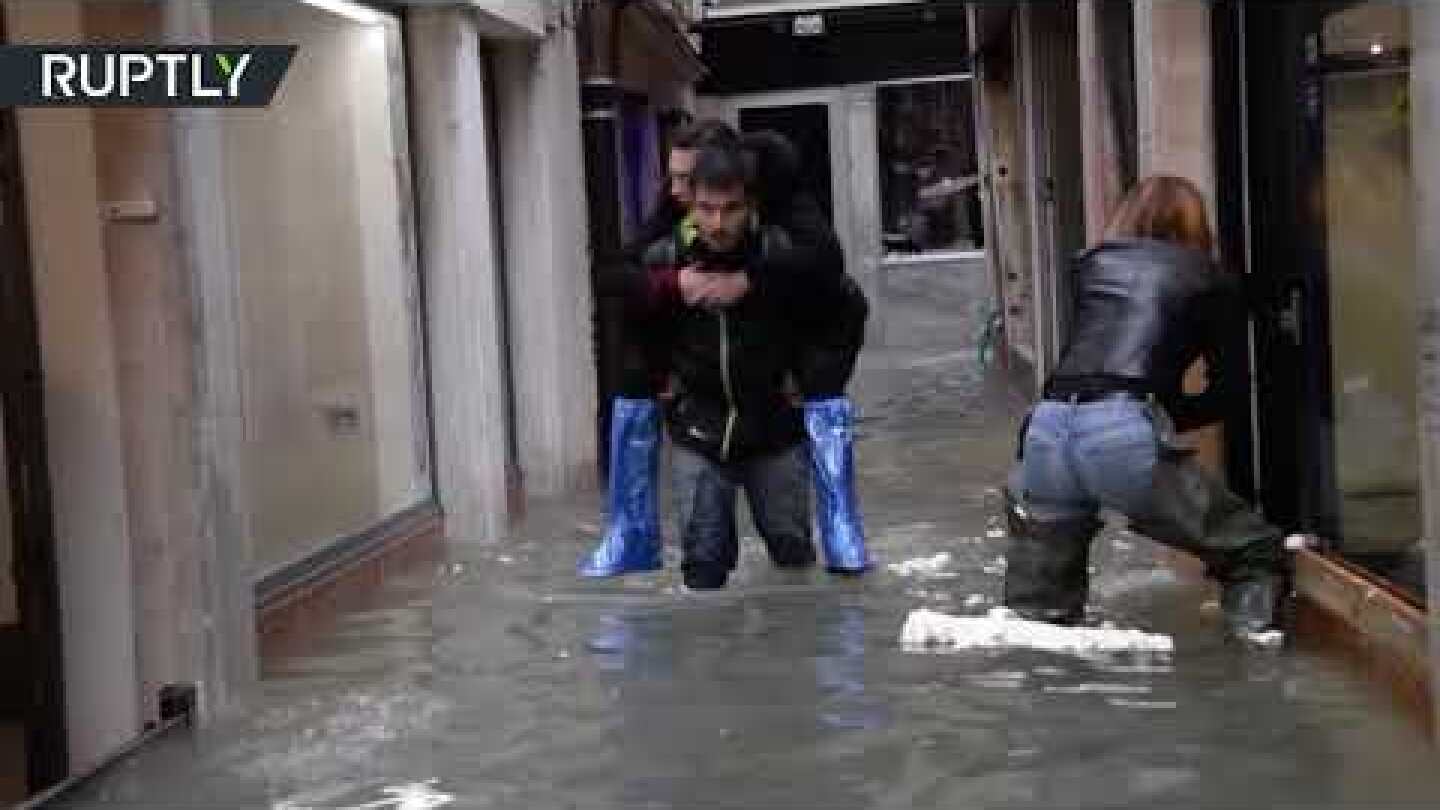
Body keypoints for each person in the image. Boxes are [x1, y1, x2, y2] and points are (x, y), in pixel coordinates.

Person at [1001, 175, 1285, 643]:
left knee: (1039, 616)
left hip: (1046, 428)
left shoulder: (1091, 268)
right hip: (1121, 429)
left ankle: (1045, 707)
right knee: (1254, 551)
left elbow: (1090, 353)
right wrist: (1165, 424)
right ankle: (1256, 671)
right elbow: (1230, 391)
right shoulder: (1211, 279)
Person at [625, 140, 834, 589]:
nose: (717, 223)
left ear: (751, 203)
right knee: (702, 569)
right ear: (689, 205)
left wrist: (814, 379)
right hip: (696, 429)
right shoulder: (664, 257)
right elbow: (624, 313)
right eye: (706, 208)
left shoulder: (785, 252)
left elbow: (842, 308)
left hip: (775, 428)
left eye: (731, 209)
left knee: (793, 559)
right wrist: (655, 376)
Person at [578, 120, 740, 578]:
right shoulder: (669, 219)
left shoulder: (769, 218)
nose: (675, 190)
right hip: (673, 374)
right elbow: (613, 272)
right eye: (671, 177)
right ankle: (634, 537)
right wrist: (672, 283)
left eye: (686, 179)